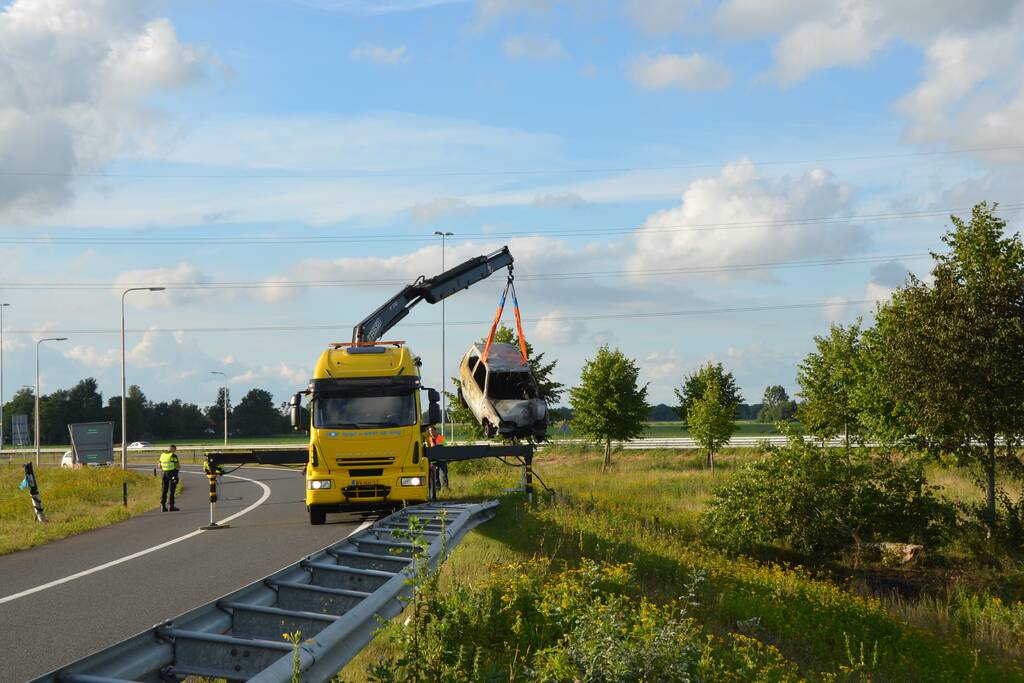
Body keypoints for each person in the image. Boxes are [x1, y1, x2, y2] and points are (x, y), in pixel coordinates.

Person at [426, 425, 448, 490]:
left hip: (442, 459)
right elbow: (428, 449)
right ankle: (437, 488)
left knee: (444, 475)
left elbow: (446, 447)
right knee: (435, 476)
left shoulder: (441, 437)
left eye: (432, 430)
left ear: (435, 431)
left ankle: (445, 488)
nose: (431, 432)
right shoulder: (429, 439)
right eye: (429, 431)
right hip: (434, 460)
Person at [159, 445, 180, 512]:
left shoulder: (162, 455)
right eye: (175, 449)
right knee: (172, 490)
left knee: (164, 490)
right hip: (172, 473)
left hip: (165, 473)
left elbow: (159, 465)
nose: (175, 451)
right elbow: (177, 466)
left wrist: (164, 469)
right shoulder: (173, 455)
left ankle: (163, 506)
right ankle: (171, 506)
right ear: (173, 449)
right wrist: (176, 473)